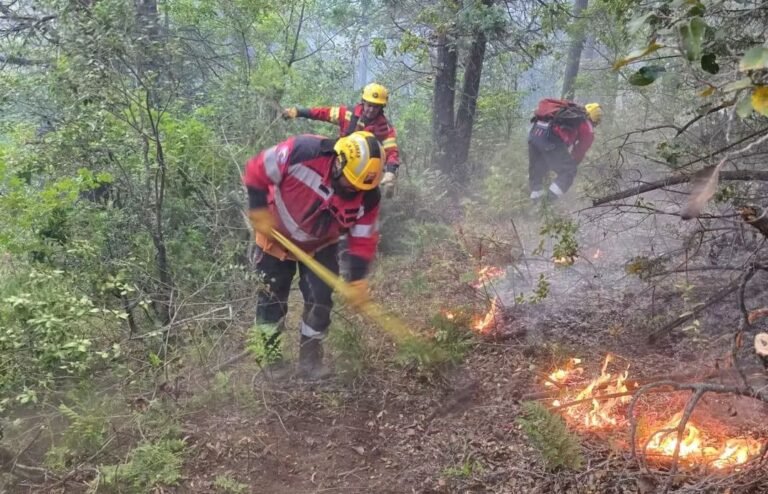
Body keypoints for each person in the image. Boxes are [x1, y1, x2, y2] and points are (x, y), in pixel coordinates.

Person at [243, 131, 384, 379]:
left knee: (320, 302)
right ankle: (272, 362)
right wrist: (258, 209)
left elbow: (362, 238)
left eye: (360, 187)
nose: (353, 191)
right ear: (339, 162)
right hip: (274, 239)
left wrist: (358, 279)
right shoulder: (302, 152)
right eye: (350, 183)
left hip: (320, 246)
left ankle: (310, 360)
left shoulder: (368, 195)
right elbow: (256, 169)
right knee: (270, 304)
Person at [281, 83, 400, 197]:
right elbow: (323, 113)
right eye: (369, 105)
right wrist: (297, 112)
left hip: (361, 172)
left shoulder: (385, 129)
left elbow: (392, 152)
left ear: (381, 107)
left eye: (376, 107)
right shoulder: (348, 114)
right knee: (317, 147)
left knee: (371, 195)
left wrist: (390, 172)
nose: (371, 110)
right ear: (363, 102)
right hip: (338, 159)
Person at [528, 100, 602, 202]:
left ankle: (535, 203)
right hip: (550, 139)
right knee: (569, 170)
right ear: (595, 121)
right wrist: (571, 164)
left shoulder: (567, 111)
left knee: (540, 169)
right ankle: (547, 202)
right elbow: (579, 151)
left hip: (534, 135)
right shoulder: (587, 126)